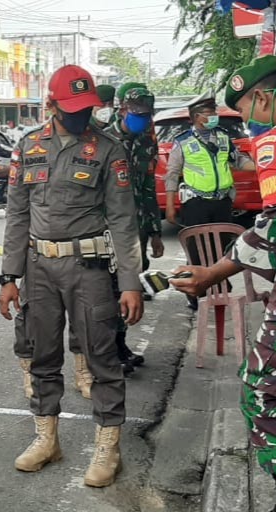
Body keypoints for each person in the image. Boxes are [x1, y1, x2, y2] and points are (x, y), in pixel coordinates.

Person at [172, 55, 276, 512]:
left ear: (263, 97)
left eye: (245, 106)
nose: (246, 119)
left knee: (265, 389)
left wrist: (213, 273)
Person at [0, 65, 143, 488]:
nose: (82, 117)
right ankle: (47, 438)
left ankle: (108, 447)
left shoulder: (109, 148)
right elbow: (16, 214)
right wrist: (8, 276)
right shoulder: (28, 146)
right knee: (42, 356)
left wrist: (131, 283)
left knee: (102, 358)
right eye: (73, 109)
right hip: (37, 269)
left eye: (87, 109)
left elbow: (123, 220)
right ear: (51, 104)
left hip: (89, 269)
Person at [164, 91, 256, 309]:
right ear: (197, 117)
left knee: (222, 248)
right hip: (196, 203)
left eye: (213, 111)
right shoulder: (183, 142)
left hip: (222, 202)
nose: (213, 115)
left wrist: (261, 166)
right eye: (209, 112)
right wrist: (170, 205)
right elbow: (171, 173)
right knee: (196, 250)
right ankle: (194, 293)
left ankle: (218, 284)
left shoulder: (223, 137)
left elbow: (237, 161)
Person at [104, 87, 163, 368]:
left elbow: (148, 187)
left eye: (148, 115)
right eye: (138, 114)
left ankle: (120, 344)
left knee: (130, 287)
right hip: (107, 230)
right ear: (122, 110)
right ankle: (107, 350)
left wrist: (155, 232)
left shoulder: (146, 142)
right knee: (108, 290)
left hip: (136, 228)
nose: (143, 120)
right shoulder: (104, 140)